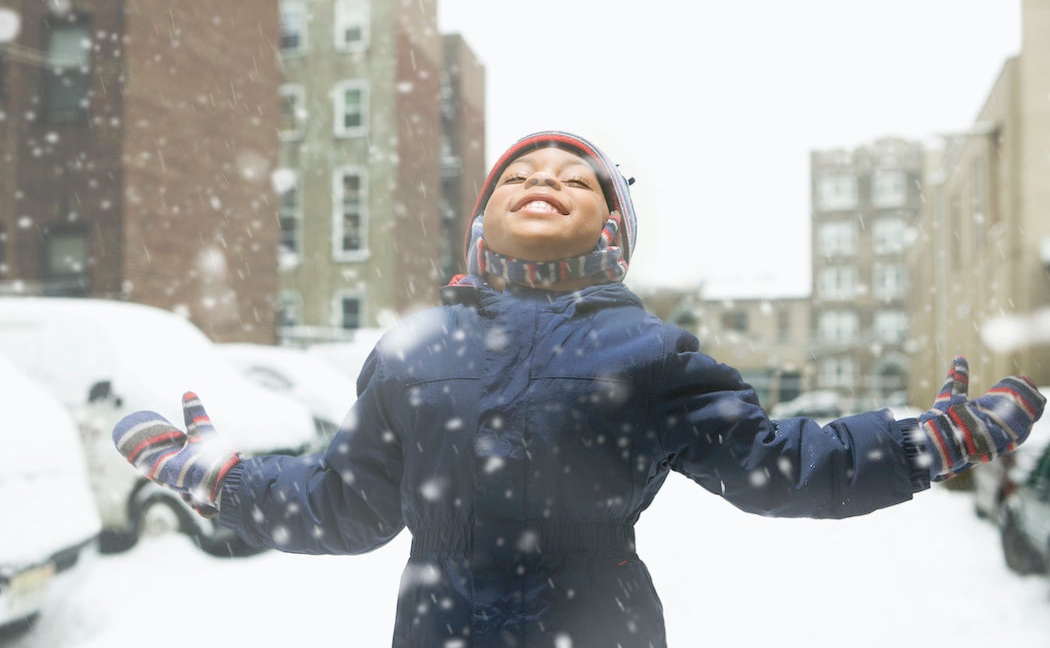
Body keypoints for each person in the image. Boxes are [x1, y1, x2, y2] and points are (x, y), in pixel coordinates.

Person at [113, 131, 1046, 648]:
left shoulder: (647, 350)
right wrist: (222, 478)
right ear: (482, 226)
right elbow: (344, 508)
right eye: (518, 174)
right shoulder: (411, 350)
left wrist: (924, 442)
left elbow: (780, 466)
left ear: (613, 228)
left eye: (575, 177)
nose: (543, 180)